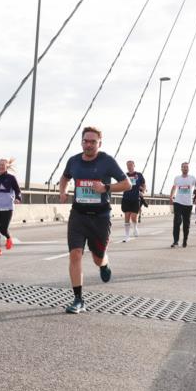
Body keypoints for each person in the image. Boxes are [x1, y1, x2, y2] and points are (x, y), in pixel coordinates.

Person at [58, 126, 131, 314]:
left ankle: (104, 264)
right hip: (78, 215)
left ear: (99, 143)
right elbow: (64, 178)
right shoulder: (73, 161)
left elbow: (127, 184)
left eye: (93, 141)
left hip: (100, 217)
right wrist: (63, 191)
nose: (88, 145)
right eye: (85, 141)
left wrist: (105, 187)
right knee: (75, 254)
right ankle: (78, 299)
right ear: (81, 142)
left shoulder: (107, 161)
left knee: (97, 258)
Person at [169, 162, 195, 247]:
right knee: (177, 221)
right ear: (181, 168)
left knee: (186, 224)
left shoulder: (192, 178)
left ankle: (185, 240)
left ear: (188, 169)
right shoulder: (177, 178)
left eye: (186, 167)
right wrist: (171, 196)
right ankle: (175, 241)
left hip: (188, 204)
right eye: (183, 167)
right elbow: (174, 187)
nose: (185, 168)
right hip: (178, 202)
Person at [120, 160, 146, 242]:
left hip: (135, 198)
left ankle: (135, 228)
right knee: (127, 216)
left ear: (134, 165)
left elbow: (143, 184)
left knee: (134, 217)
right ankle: (127, 236)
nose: (129, 166)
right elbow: (121, 184)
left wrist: (142, 191)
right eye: (128, 165)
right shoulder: (124, 175)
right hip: (126, 198)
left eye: (131, 165)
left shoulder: (139, 175)